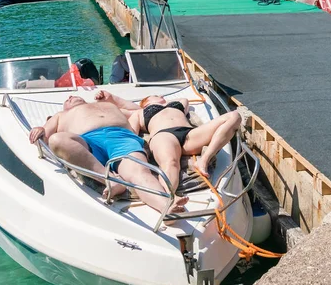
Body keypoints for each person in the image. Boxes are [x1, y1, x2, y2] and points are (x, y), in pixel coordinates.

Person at [28, 96, 188, 214]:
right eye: (67, 99)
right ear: (64, 107)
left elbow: (140, 111)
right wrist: (40, 129)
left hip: (122, 138)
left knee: (139, 173)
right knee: (57, 140)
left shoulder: (106, 105)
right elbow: (46, 136)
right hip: (87, 141)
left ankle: (166, 205)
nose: (70, 96)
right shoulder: (60, 115)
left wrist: (113, 98)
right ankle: (110, 179)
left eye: (73, 96)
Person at [95, 90, 241, 196]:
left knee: (234, 116)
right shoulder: (138, 113)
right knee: (171, 163)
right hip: (163, 135)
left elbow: (184, 100)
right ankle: (168, 197)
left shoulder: (181, 103)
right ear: (146, 102)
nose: (161, 96)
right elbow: (129, 130)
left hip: (189, 134)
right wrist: (111, 99)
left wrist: (160, 101)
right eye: (155, 95)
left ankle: (204, 159)